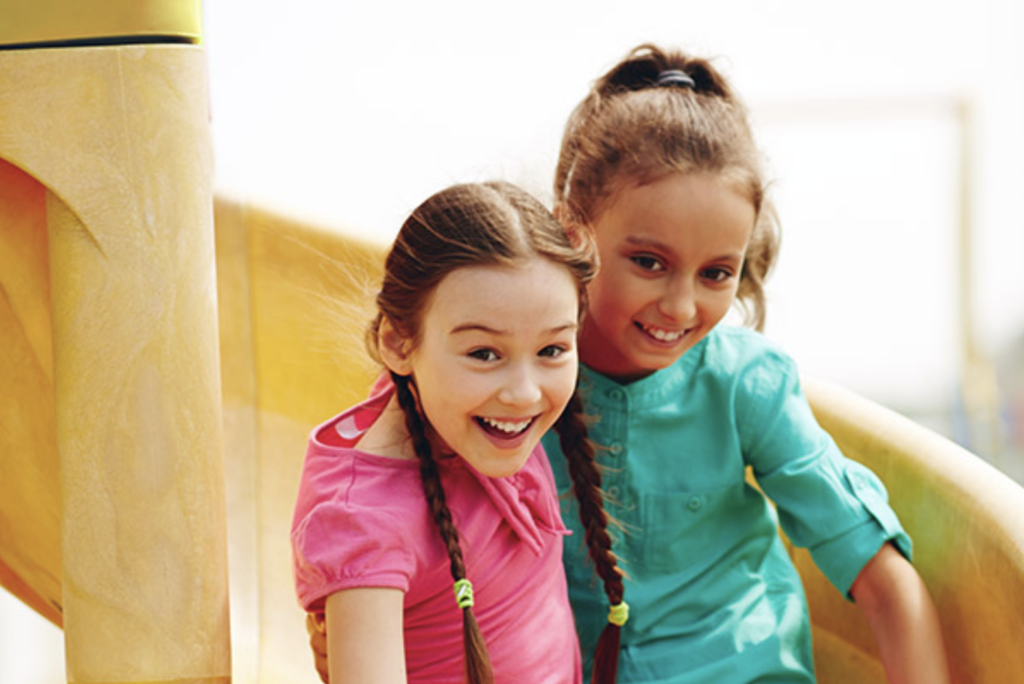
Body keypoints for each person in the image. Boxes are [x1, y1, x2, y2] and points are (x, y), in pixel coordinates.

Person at [308, 45, 951, 683]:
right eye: (649, 261)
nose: (679, 304)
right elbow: (386, 515)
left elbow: (886, 583)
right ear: (573, 232)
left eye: (716, 273)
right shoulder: (506, 392)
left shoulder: (744, 384)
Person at [291, 181, 626, 684]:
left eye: (552, 350)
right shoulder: (366, 521)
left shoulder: (464, 414)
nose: (524, 392)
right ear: (398, 342)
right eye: (484, 354)